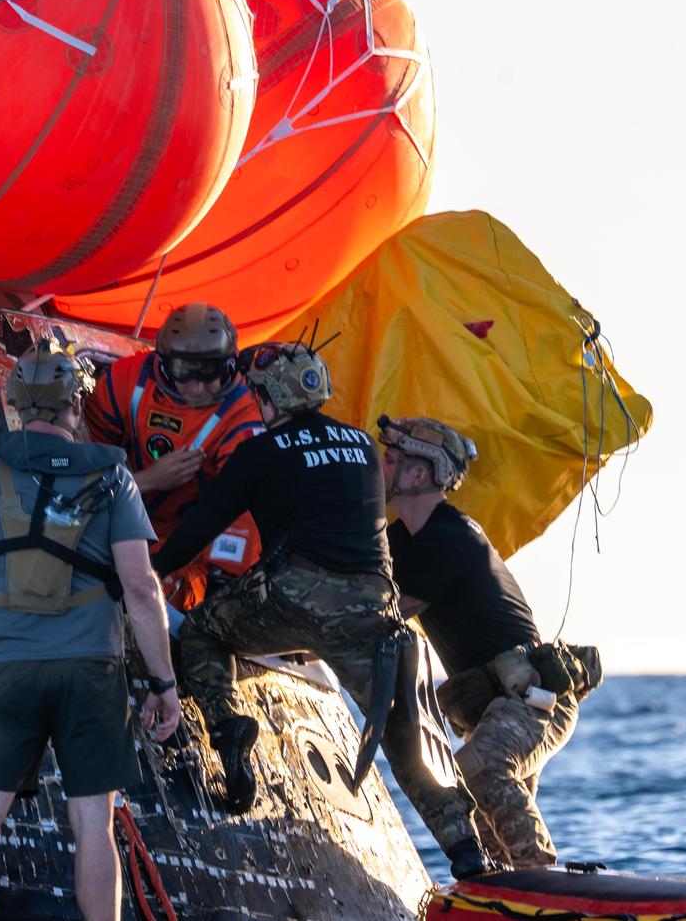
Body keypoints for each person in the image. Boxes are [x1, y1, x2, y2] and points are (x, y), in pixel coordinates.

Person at [154, 341, 495, 879]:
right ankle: (467, 854)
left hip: (292, 598)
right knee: (404, 735)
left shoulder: (259, 452)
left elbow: (197, 531)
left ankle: (228, 728)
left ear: (270, 398)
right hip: (372, 610)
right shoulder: (363, 446)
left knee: (201, 632)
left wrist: (144, 570)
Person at [0, 338, 182, 921]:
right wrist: (164, 683)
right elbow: (140, 587)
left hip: (10, 670)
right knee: (94, 826)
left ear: (15, 405)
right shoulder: (114, 480)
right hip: (91, 673)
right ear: (74, 406)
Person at [381, 415, 599, 869]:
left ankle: (539, 879)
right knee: (488, 820)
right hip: (500, 708)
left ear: (417, 475)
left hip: (536, 701)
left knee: (477, 768)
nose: (377, 467)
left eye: (389, 459)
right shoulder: (407, 538)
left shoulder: (448, 538)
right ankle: (503, 889)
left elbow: (381, 614)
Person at [85, 302, 267, 609]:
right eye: (184, 372)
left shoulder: (244, 415)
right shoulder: (126, 383)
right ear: (165, 364)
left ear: (228, 365)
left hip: (187, 547)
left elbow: (242, 517)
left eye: (208, 373)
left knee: (159, 594)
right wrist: (147, 480)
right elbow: (84, 479)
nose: (196, 387)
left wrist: (221, 587)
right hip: (117, 523)